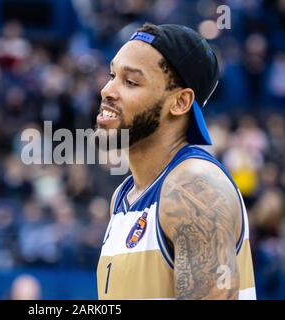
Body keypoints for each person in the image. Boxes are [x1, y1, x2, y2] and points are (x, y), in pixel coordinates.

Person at [95, 23, 256, 300]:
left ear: (181, 102)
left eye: (130, 82)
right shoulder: (123, 196)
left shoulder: (194, 187)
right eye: (112, 75)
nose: (107, 90)